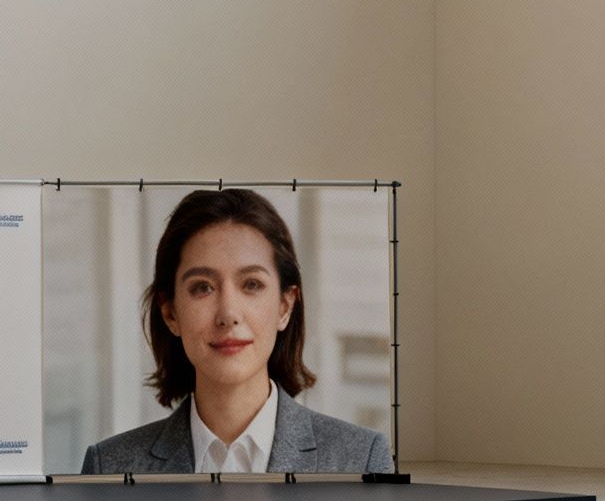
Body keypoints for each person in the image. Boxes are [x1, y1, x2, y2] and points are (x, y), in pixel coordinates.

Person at [81, 188, 391, 476]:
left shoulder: (361, 459)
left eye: (252, 285)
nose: (228, 314)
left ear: (285, 306)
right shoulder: (108, 466)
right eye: (203, 287)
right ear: (170, 312)